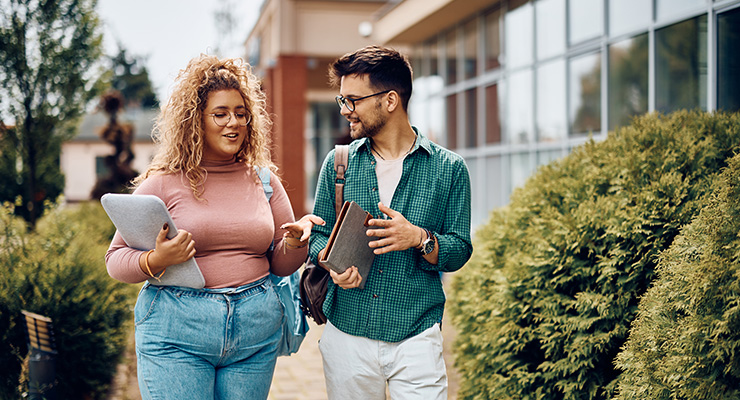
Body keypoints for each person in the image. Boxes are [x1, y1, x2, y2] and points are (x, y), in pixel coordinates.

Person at [105, 54, 323, 400]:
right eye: (220, 114)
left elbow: (281, 266)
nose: (233, 123)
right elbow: (115, 260)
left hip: (255, 331)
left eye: (240, 113)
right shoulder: (163, 184)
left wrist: (296, 244)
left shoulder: (265, 181)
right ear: (196, 121)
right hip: (177, 330)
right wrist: (157, 259)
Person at [308, 45, 473, 399]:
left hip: (417, 338)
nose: (345, 111)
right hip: (347, 335)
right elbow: (318, 235)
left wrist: (419, 238)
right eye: (342, 101)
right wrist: (330, 263)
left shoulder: (450, 169)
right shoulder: (338, 164)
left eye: (353, 100)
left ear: (390, 100)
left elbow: (460, 249)